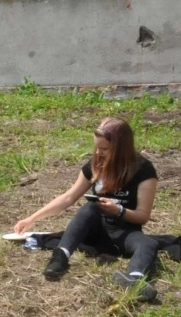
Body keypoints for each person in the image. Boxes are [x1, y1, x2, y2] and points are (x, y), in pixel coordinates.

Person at [14, 116, 160, 302]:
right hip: (95, 231)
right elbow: (68, 197)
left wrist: (118, 211)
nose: (98, 152)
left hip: (124, 233)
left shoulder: (144, 170)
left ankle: (135, 279)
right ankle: (60, 257)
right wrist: (32, 218)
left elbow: (142, 216)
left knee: (149, 243)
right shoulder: (96, 164)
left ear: (121, 148)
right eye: (97, 147)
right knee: (91, 207)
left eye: (104, 149)